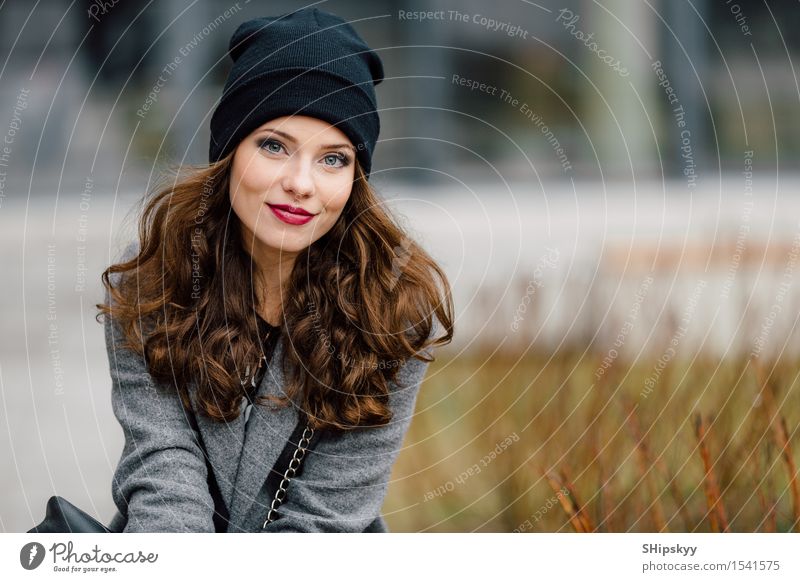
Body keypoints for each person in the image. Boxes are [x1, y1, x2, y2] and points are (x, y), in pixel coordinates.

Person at [96, 7, 454, 532]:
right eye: (273, 146)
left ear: (357, 177)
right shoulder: (155, 280)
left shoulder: (392, 306)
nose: (301, 184)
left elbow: (327, 517)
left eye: (334, 158)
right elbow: (164, 471)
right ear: (229, 153)